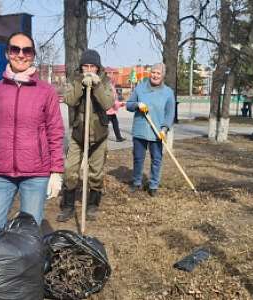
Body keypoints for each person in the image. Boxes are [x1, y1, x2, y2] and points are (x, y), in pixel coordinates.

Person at [0, 32, 64, 228]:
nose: (21, 55)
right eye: (15, 49)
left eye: (27, 50)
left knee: (28, 234)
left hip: (36, 174)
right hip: (0, 172)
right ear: (7, 54)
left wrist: (56, 171)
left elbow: (55, 132)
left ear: (33, 55)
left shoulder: (46, 91)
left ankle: (27, 260)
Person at [57, 49, 114, 222]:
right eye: (85, 66)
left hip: (99, 135)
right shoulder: (73, 80)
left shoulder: (105, 82)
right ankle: (68, 206)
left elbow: (107, 103)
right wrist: (81, 85)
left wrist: (96, 86)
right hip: (78, 134)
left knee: (95, 174)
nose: (89, 70)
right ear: (81, 67)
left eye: (92, 66)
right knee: (70, 171)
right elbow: (70, 100)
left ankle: (92, 205)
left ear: (98, 68)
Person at [126, 63, 175, 197]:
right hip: (140, 130)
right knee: (138, 158)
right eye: (153, 72)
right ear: (150, 73)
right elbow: (128, 105)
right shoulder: (140, 88)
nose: (155, 75)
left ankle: (153, 185)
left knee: (156, 159)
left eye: (158, 73)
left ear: (163, 75)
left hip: (157, 132)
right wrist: (137, 104)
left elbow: (170, 113)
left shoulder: (168, 92)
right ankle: (136, 182)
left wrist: (164, 129)